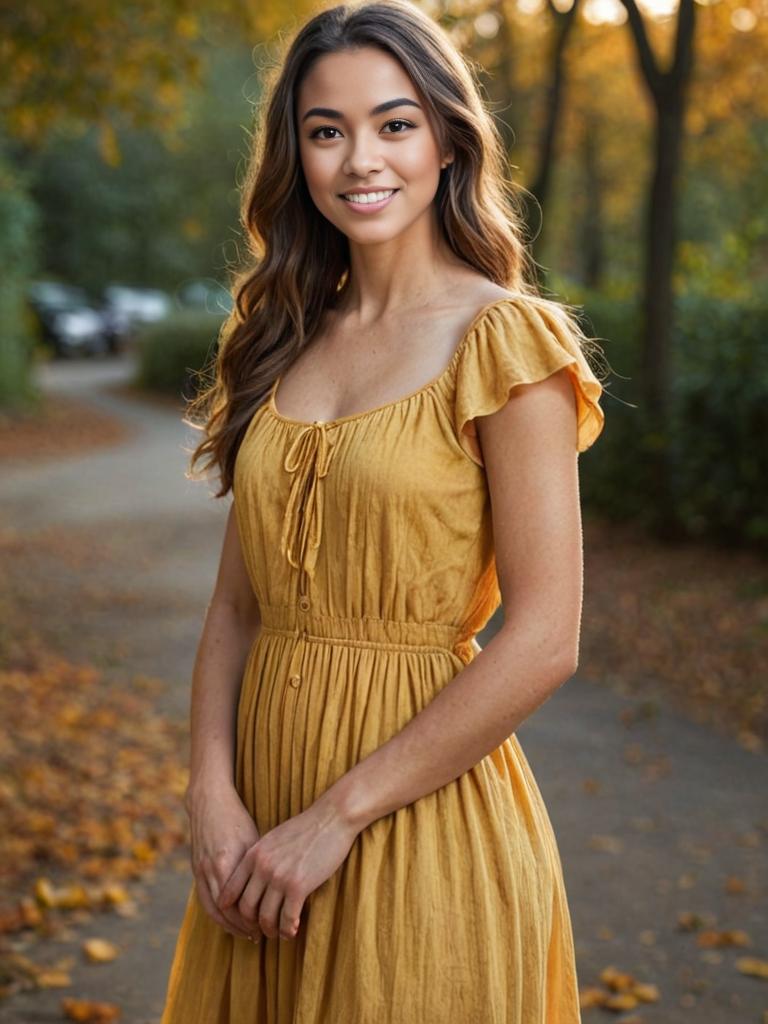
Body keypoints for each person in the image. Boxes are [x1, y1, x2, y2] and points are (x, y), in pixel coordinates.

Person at [160, 1, 608, 1021]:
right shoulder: (284, 339)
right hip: (262, 825)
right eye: (328, 130)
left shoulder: (509, 340)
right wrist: (212, 792)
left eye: (395, 123)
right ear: (297, 154)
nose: (361, 158)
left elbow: (546, 637)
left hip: (412, 817)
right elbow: (236, 608)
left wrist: (337, 816)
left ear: (448, 139)